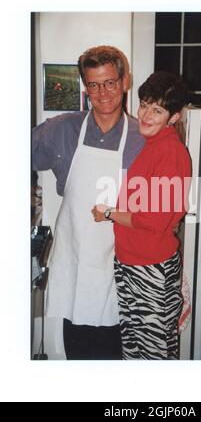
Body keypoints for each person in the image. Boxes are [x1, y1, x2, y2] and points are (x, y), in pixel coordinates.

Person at [32, 45, 145, 360]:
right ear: (85, 88)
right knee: (79, 357)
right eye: (93, 85)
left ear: (125, 81)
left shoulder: (145, 137)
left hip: (121, 272)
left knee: (115, 359)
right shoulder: (62, 129)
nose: (103, 93)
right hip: (76, 266)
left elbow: (166, 206)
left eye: (110, 82)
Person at [92, 71, 192, 359]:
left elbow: (154, 220)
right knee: (136, 351)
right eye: (144, 104)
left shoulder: (170, 152)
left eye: (157, 110)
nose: (146, 115)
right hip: (132, 264)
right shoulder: (152, 145)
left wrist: (109, 212)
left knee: (154, 355)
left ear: (174, 116)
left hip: (151, 270)